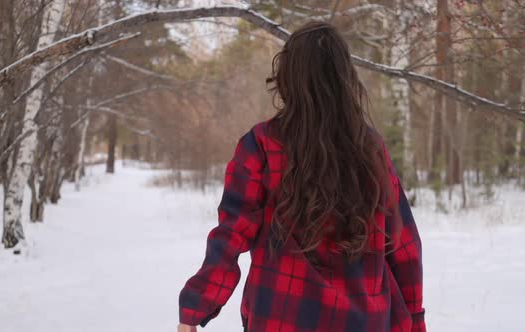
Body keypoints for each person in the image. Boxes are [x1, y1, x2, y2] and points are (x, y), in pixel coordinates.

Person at [177, 21, 425, 332]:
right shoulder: (369, 147)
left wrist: (195, 306)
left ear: (288, 76)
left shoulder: (262, 144)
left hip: (281, 319)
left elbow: (231, 235)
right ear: (345, 78)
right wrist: (414, 321)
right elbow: (404, 246)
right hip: (363, 321)